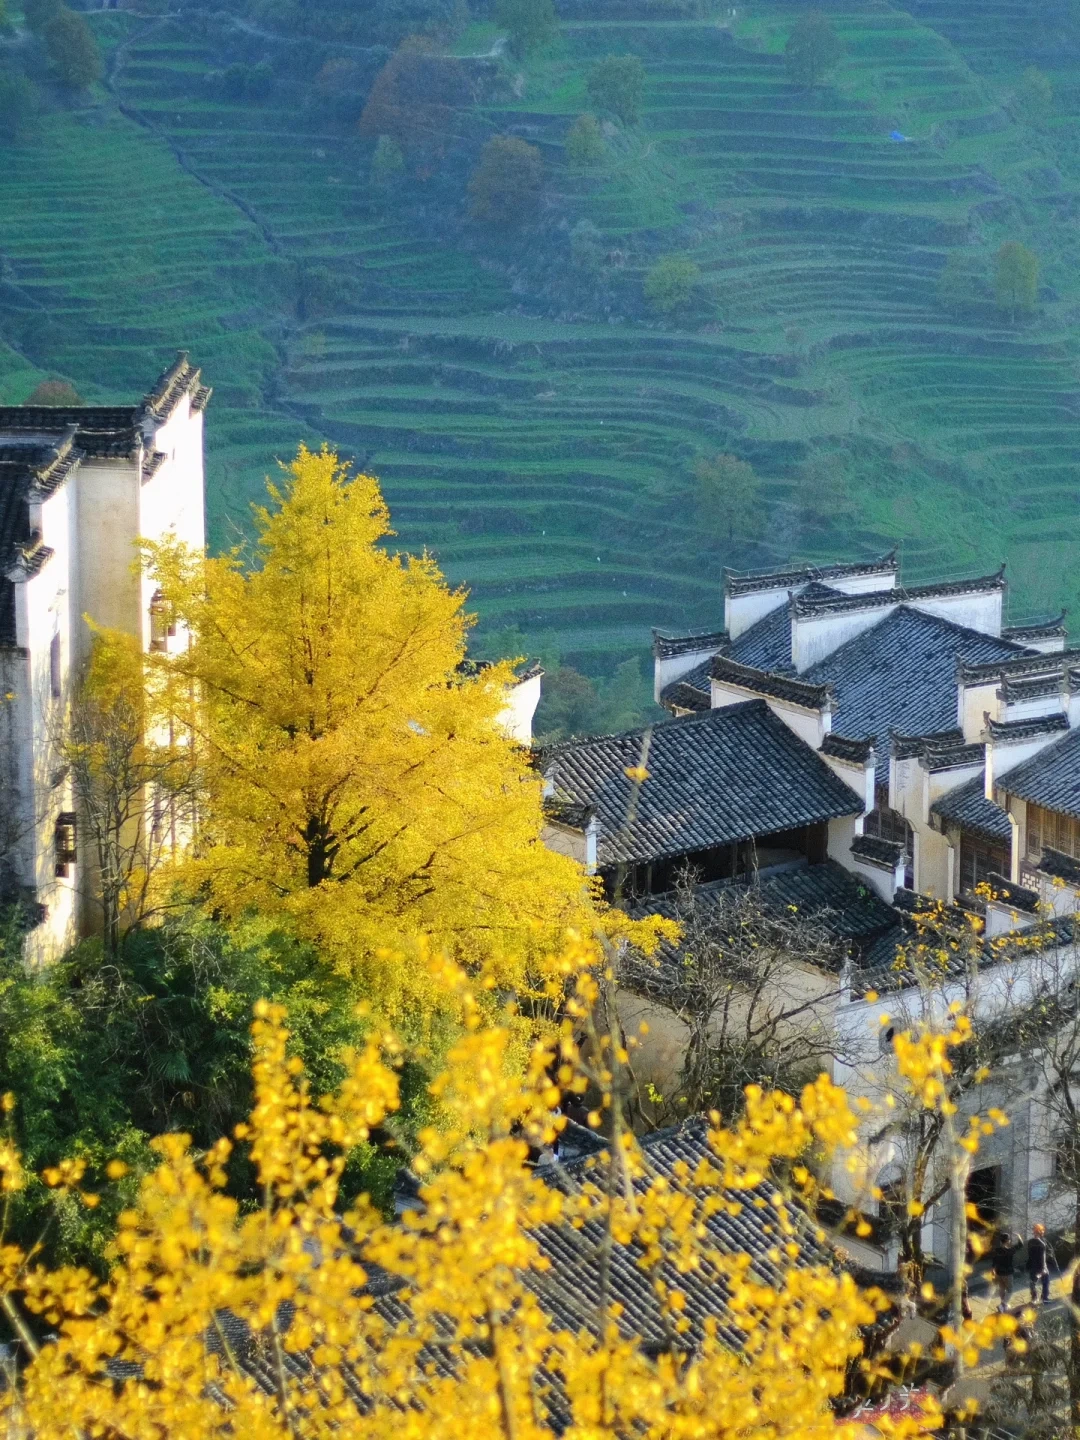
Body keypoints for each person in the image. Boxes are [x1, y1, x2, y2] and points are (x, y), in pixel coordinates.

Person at [990, 1229, 1021, 1312]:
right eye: (1009, 1239)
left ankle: (1004, 1306)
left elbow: (994, 1260)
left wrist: (993, 1269)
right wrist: (1018, 1236)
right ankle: (1002, 1305)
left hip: (999, 1273)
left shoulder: (997, 1250)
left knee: (1002, 1289)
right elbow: (1020, 1245)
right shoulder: (1010, 1251)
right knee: (1010, 1290)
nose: (1010, 1241)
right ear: (1007, 1241)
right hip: (1008, 1273)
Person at [1027, 1222, 1051, 1304]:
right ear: (1040, 1232)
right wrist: (1044, 1268)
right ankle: (1044, 1298)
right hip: (1041, 1266)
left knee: (1032, 1282)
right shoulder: (1042, 1243)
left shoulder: (1030, 1242)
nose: (1043, 1232)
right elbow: (1043, 1256)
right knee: (1046, 1281)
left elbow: (1030, 1254)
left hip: (1032, 1265)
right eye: (1042, 1231)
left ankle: (1034, 1298)